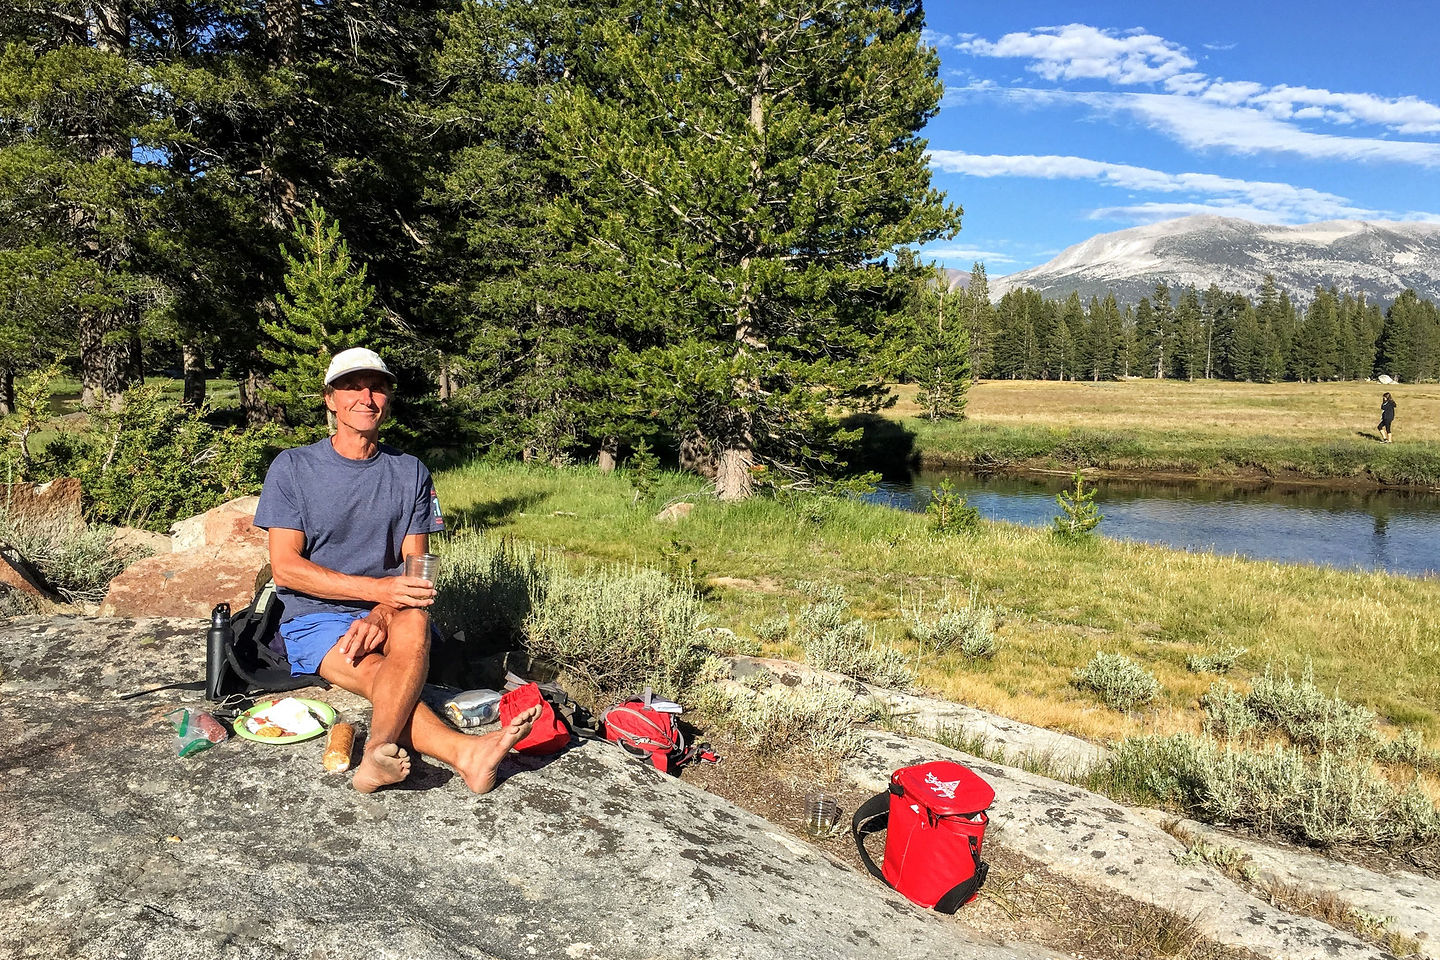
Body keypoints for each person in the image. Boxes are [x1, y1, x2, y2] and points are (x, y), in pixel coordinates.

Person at [253, 346, 539, 793]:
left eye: (377, 387)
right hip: (315, 616)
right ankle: (466, 752)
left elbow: (420, 569)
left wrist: (382, 610)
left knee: (415, 621)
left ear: (387, 398)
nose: (366, 397)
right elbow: (287, 570)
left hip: (392, 610)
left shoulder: (410, 471)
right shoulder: (294, 467)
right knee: (375, 675)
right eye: (352, 387)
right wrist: (380, 591)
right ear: (330, 398)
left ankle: (377, 755)